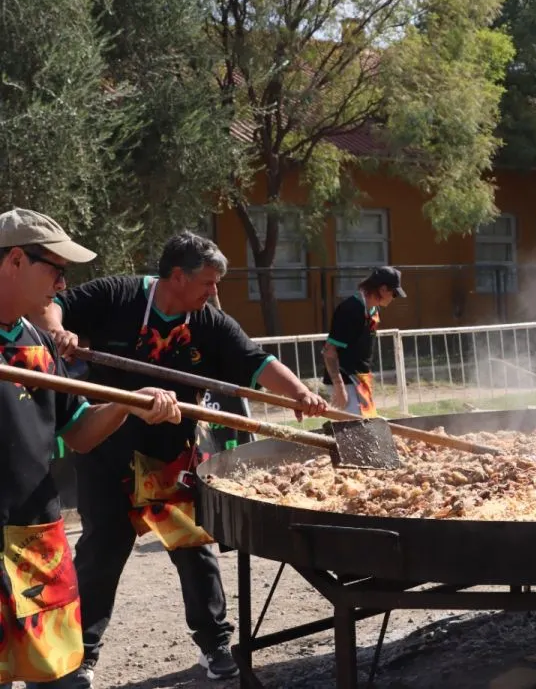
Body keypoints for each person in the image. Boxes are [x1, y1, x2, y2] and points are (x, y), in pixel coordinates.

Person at [32, 232, 328, 684]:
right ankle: (82, 654)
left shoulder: (209, 322)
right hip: (106, 450)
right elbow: (55, 306)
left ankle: (215, 644)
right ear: (177, 276)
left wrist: (299, 393)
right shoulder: (118, 295)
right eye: (208, 282)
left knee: (194, 549)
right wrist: (57, 330)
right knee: (102, 550)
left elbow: (255, 361)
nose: (214, 292)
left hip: (172, 457)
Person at [0, 208, 180, 689]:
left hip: (36, 537)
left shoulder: (38, 343)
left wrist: (127, 404)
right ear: (15, 260)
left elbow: (77, 431)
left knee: (60, 676)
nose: (62, 286)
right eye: (55, 270)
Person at [321, 266, 405, 416]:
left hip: (361, 378)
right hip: (345, 380)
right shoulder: (350, 309)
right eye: (394, 293)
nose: (394, 298)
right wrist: (339, 386)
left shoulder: (374, 310)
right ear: (383, 289)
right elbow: (329, 351)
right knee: (356, 425)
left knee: (368, 421)